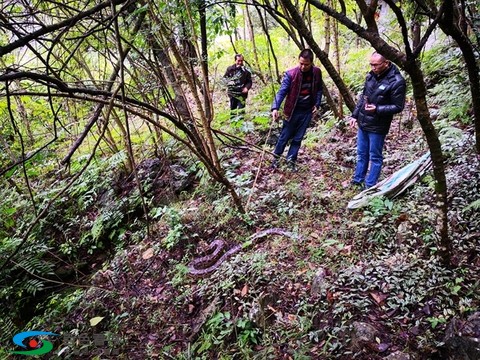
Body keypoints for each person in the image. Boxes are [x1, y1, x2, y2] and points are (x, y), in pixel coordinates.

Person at [347, 52, 406, 189]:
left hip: (378, 125)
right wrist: (355, 115)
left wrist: (377, 109)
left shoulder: (397, 82)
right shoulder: (370, 76)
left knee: (375, 157)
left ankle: (370, 185)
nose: (373, 67)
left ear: (386, 63)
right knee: (361, 153)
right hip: (363, 122)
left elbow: (398, 106)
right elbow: (363, 97)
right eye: (371, 64)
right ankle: (357, 180)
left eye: (376, 65)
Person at [270, 48, 323, 172]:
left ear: (312, 63)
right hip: (292, 111)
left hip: (307, 111)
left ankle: (291, 161)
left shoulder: (316, 72)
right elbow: (281, 92)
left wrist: (317, 103)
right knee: (284, 136)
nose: (303, 67)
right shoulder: (291, 74)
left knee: (298, 138)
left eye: (306, 64)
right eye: (301, 63)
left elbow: (319, 89)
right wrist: (275, 107)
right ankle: (276, 159)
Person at [223, 54, 252, 121]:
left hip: (242, 93)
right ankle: (233, 124)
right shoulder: (230, 69)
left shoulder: (246, 70)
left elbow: (249, 81)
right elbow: (225, 79)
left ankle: (241, 125)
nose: (240, 62)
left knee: (241, 110)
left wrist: (246, 88)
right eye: (238, 61)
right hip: (233, 93)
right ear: (235, 60)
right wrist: (229, 83)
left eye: (241, 61)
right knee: (233, 109)